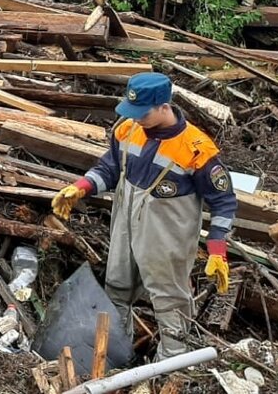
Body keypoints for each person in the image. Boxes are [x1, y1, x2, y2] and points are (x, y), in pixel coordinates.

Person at [52, 72, 236, 361]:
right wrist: (81, 188)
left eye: (143, 113)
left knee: (170, 300)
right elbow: (110, 169)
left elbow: (223, 202)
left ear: (164, 106)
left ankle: (171, 367)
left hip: (167, 236)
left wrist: (217, 249)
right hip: (125, 225)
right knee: (117, 286)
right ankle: (115, 356)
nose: (136, 118)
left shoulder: (196, 150)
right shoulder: (126, 130)